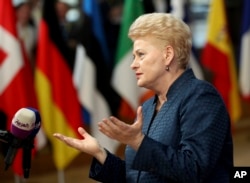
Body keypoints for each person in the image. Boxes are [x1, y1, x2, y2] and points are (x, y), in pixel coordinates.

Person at [53, 13, 233, 183]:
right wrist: (101, 154)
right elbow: (138, 177)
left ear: (167, 55)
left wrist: (137, 141)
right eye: (133, 56)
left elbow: (194, 170)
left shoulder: (200, 97)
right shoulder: (147, 107)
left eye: (141, 55)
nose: (133, 64)